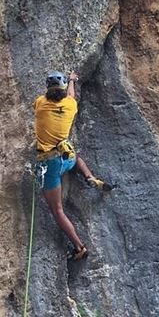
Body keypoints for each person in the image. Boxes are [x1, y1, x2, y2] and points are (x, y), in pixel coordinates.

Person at [33, 70, 113, 260]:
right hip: (66, 157)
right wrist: (72, 80)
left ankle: (79, 247)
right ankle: (90, 177)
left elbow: (44, 101)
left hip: (49, 165)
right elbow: (71, 94)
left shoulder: (41, 105)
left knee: (57, 210)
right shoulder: (70, 105)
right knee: (77, 159)